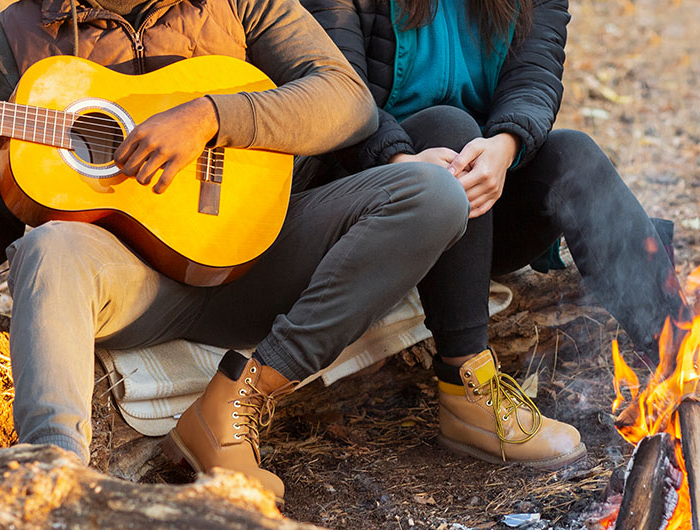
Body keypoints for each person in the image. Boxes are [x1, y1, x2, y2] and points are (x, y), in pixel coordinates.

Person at [0, 0, 471, 502]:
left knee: (431, 193)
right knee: (49, 245)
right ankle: (56, 486)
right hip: (133, 287)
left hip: (263, 251)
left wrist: (210, 116)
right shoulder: (16, 39)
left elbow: (347, 100)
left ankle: (237, 402)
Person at [297, 0, 694, 468]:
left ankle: (679, 357)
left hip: (475, 211)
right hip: (364, 202)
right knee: (448, 124)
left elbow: (535, 78)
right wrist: (399, 164)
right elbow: (332, 90)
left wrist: (504, 147)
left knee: (574, 157)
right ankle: (467, 395)